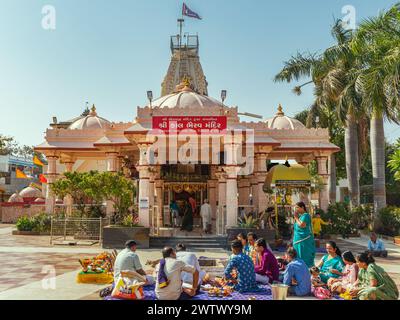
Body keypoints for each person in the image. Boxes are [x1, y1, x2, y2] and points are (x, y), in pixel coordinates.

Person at [292, 201, 316, 268]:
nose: (296, 209)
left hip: (304, 240)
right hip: (298, 240)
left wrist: (296, 218)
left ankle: (307, 270)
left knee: (305, 255)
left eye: (297, 207)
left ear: (302, 207)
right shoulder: (300, 217)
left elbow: (302, 225)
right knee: (298, 255)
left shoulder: (306, 215)